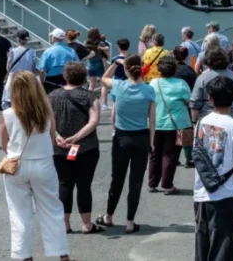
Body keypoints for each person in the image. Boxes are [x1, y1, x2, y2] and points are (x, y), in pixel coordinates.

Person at [0, 71, 72, 261]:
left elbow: (4, 144)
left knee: (19, 213)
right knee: (52, 209)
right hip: (44, 163)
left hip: (16, 165)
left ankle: (25, 256)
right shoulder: (46, 112)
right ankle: (62, 254)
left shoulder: (7, 114)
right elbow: (53, 136)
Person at [96, 55, 156, 234]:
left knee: (117, 178)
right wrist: (151, 142)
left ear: (127, 69)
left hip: (122, 137)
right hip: (141, 138)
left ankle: (109, 216)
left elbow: (103, 79)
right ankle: (130, 221)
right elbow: (152, 120)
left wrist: (116, 63)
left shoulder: (119, 86)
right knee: (135, 181)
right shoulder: (149, 90)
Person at [193, 76, 233, 261]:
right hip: (226, 194)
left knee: (203, 244)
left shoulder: (201, 122)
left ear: (210, 99)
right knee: (223, 248)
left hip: (202, 191)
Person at [48, 62, 103, 235]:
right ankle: (86, 224)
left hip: (59, 147)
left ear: (65, 76)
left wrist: (57, 136)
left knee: (64, 183)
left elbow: (47, 121)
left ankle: (64, 224)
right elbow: (93, 122)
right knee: (84, 185)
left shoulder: (53, 96)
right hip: (86, 147)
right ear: (84, 77)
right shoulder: (90, 96)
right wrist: (75, 138)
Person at [148, 56, 191, 195]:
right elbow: (188, 101)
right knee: (170, 155)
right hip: (177, 125)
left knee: (155, 154)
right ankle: (167, 185)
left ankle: (152, 183)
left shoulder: (153, 83)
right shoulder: (181, 84)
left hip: (156, 123)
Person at [190, 46, 233, 122]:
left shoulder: (202, 78)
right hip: (230, 118)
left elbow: (195, 103)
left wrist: (194, 122)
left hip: (207, 120)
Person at [3, 30, 39, 109]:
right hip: (27, 78)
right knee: (26, 101)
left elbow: (8, 67)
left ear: (18, 39)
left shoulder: (12, 51)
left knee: (10, 100)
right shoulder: (32, 52)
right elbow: (33, 67)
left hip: (14, 77)